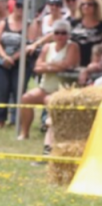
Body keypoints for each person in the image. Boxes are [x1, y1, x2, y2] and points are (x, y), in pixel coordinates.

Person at [18, 20, 78, 148]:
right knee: (26, 98)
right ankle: (24, 133)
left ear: (68, 35)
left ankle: (52, 137)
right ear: (53, 35)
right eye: (57, 33)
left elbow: (68, 65)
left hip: (63, 89)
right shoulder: (47, 47)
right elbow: (37, 67)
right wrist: (55, 66)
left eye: (63, 33)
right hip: (45, 87)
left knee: (50, 100)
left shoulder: (72, 46)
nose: (60, 36)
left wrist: (47, 66)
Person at [0, 0, 33, 128]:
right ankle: (0, 121)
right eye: (18, 6)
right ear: (14, 7)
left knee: (18, 91)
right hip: (2, 63)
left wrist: (14, 58)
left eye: (23, 7)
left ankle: (18, 121)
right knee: (1, 91)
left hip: (20, 64)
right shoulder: (4, 23)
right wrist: (4, 57)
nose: (20, 9)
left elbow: (28, 44)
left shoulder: (28, 25)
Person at [70, 0, 102, 68]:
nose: (86, 6)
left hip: (95, 67)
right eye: (83, 4)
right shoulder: (74, 23)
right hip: (74, 66)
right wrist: (37, 44)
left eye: (89, 4)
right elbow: (55, 34)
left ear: (96, 6)